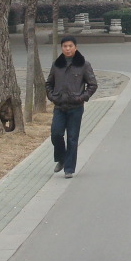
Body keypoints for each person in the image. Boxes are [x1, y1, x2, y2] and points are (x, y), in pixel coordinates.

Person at [46, 35, 98, 178]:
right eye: (65, 46)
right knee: (56, 134)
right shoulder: (56, 64)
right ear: (61, 48)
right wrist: (52, 96)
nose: (67, 49)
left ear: (75, 47)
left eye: (70, 46)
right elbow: (49, 83)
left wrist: (81, 97)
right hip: (59, 106)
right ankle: (61, 158)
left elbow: (93, 85)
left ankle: (69, 168)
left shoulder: (84, 64)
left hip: (76, 107)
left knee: (72, 138)